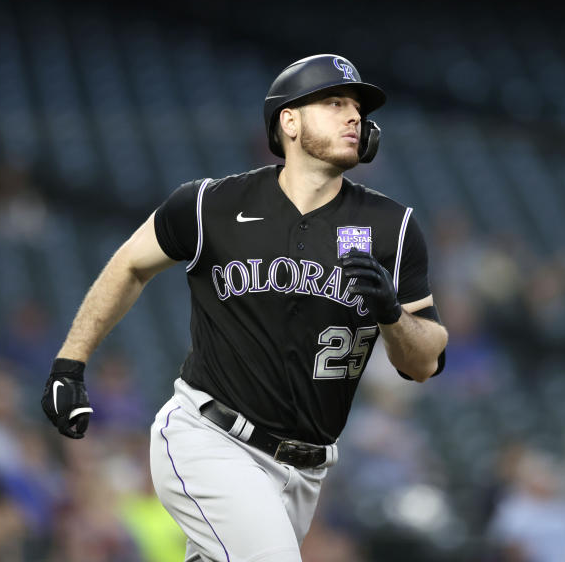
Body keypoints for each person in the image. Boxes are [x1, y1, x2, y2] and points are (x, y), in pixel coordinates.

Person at [41, 54, 449, 561]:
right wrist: (70, 362)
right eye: (335, 102)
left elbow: (426, 360)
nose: (354, 116)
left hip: (305, 471)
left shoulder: (393, 226)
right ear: (290, 120)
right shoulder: (210, 204)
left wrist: (392, 315)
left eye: (359, 109)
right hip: (210, 438)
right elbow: (130, 265)